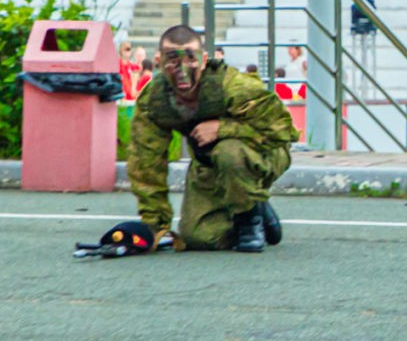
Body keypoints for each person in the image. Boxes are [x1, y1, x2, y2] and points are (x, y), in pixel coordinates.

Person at [127, 25, 297, 252]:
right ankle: (252, 203)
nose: (182, 70)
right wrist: (155, 223)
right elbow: (145, 163)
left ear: (204, 60)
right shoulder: (154, 101)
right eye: (173, 61)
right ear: (159, 61)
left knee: (229, 152)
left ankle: (250, 219)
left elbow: (283, 130)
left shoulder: (233, 86)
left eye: (190, 59)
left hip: (262, 153)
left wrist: (223, 129)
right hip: (208, 164)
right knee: (198, 238)